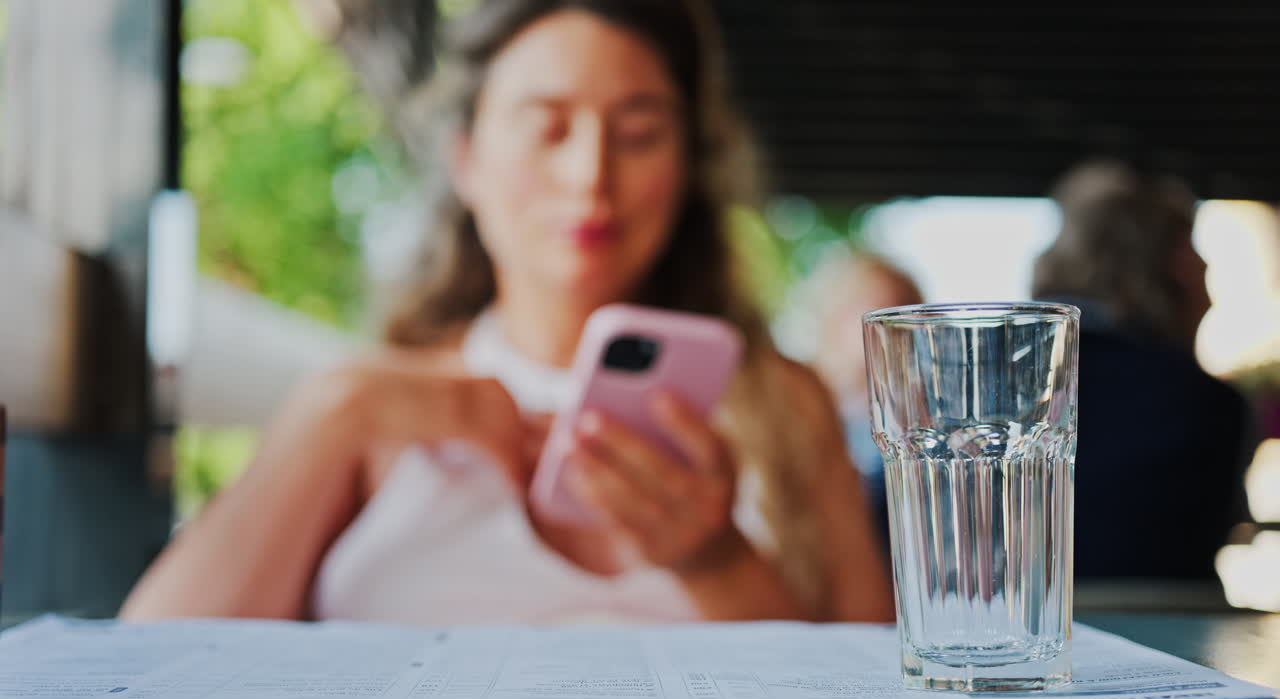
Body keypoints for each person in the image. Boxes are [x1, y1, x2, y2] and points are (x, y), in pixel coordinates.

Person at [121, 0, 893, 623]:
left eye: (639, 132)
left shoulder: (786, 407)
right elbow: (148, 669)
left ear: (688, 165)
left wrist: (714, 560)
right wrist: (335, 411)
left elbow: (875, 689)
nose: (590, 172)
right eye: (546, 126)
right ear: (466, 160)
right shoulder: (372, 407)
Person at [1032, 159, 1253, 580]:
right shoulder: (1206, 402)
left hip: (1005, 626)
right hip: (1165, 630)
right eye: (1194, 249)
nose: (1206, 268)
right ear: (1174, 265)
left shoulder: (1001, 386)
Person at [807, 250, 923, 551]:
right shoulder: (806, 407)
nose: (886, 332)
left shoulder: (922, 420)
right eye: (867, 308)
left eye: (899, 315)